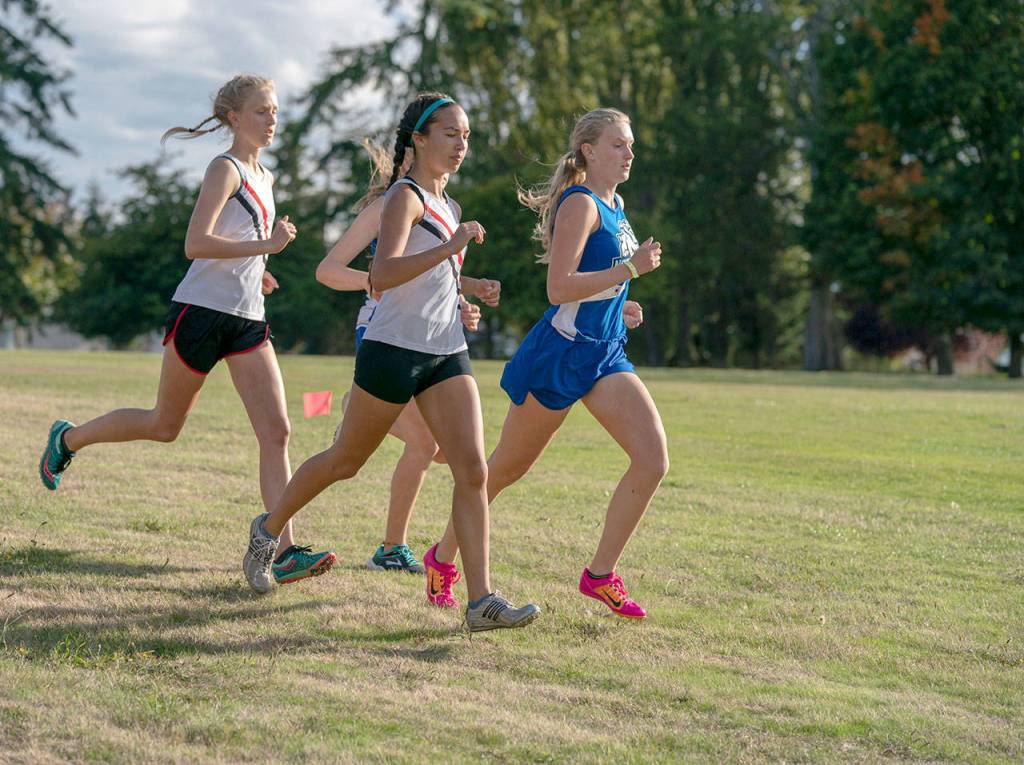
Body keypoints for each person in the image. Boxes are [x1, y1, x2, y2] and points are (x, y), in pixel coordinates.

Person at [243, 92, 540, 633]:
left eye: (466, 136)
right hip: (391, 350)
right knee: (344, 461)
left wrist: (463, 294)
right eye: (450, 133)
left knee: (472, 471)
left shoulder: (448, 207)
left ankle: (481, 602)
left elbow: (428, 278)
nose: (461, 144)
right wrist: (452, 250)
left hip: (446, 349)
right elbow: (382, 275)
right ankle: (268, 530)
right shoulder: (404, 198)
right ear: (420, 140)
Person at [39, 74, 334, 585]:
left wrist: (257, 272)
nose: (272, 121)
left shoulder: (264, 177)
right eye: (262, 111)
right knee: (164, 425)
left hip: (246, 320)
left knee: (277, 431)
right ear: (234, 118)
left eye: (276, 112)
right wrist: (264, 249)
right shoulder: (224, 168)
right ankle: (69, 439)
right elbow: (196, 243)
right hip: (199, 313)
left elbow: (237, 239)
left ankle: (282, 550)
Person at [424, 107, 668, 619]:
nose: (630, 154)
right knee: (504, 470)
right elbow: (559, 289)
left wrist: (620, 304)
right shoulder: (580, 205)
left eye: (631, 145)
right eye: (619, 145)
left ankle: (599, 575)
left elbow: (596, 282)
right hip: (560, 355)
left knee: (653, 459)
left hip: (604, 353)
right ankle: (442, 559)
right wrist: (629, 268)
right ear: (589, 150)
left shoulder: (616, 203)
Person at [316, 143, 499, 586]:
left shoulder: (449, 208)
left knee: (439, 452)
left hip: (434, 342)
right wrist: (377, 283)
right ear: (410, 154)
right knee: (421, 443)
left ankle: (354, 408)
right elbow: (327, 270)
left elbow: (439, 279)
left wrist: (464, 298)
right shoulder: (388, 204)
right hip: (382, 333)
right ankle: (392, 548)